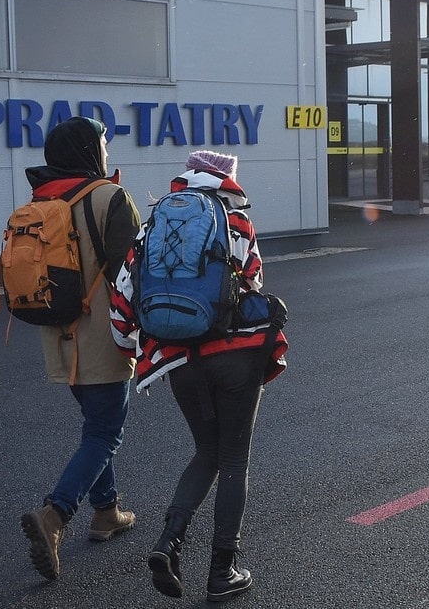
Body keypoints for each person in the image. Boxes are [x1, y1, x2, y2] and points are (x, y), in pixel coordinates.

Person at [110, 150, 289, 603]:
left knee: (206, 451)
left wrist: (132, 349)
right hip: (235, 359)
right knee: (234, 459)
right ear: (226, 180)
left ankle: (168, 541)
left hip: (179, 361)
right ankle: (222, 570)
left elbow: (122, 298)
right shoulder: (236, 222)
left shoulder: (152, 226)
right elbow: (252, 283)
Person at [19, 117, 142, 582]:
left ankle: (106, 511)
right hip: (104, 334)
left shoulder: (41, 199)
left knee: (96, 426)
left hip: (58, 335)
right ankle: (55, 514)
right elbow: (132, 272)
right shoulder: (109, 197)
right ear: (90, 149)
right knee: (106, 432)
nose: (107, 150)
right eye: (103, 142)